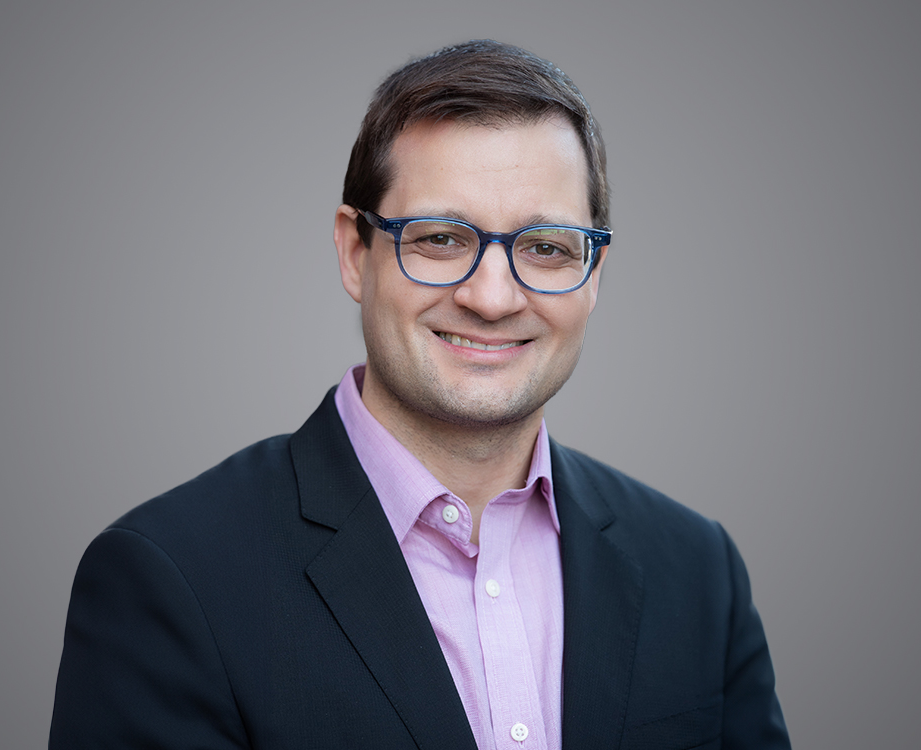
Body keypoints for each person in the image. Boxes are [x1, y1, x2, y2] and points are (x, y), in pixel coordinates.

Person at [49, 40, 791, 750]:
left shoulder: (697, 572)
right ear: (353, 252)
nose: (493, 297)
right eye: (441, 238)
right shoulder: (172, 577)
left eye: (546, 247)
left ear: (592, 276)